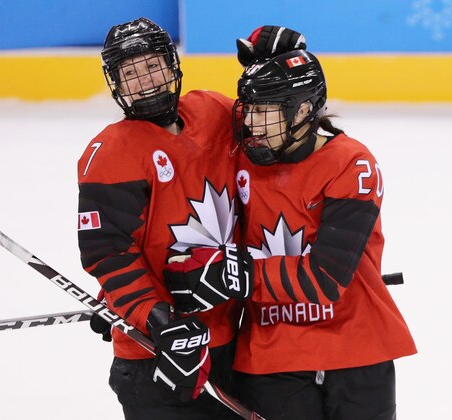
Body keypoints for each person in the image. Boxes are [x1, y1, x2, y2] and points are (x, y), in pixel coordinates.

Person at [163, 48, 417, 419]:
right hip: (270, 355)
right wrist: (132, 296)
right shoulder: (239, 159)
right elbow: (176, 213)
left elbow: (326, 277)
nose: (253, 122)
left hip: (357, 348)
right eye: (249, 108)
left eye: (265, 110)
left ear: (302, 111)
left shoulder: (351, 164)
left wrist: (236, 274)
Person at [77, 18, 306, 419]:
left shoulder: (213, 111)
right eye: (129, 73)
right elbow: (108, 252)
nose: (144, 81)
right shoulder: (110, 152)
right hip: (160, 357)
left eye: (152, 66)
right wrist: (149, 311)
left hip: (234, 339)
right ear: (114, 84)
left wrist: (283, 66)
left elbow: (280, 128)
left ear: (173, 65)